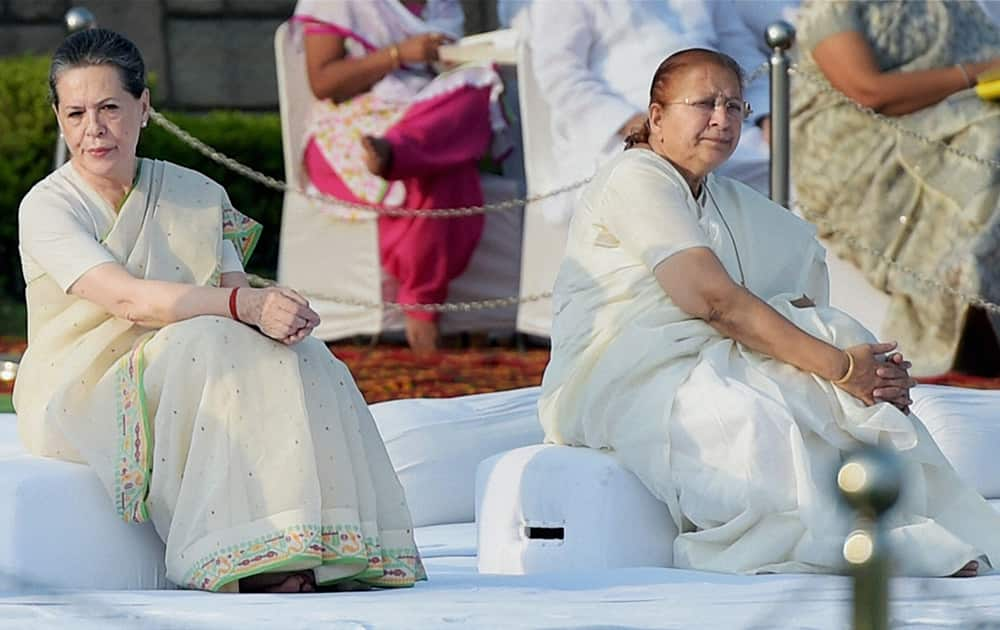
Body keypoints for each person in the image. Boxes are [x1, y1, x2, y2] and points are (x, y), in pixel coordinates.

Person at [539, 48, 1000, 577]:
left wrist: (868, 370)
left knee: (823, 360)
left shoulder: (722, 199)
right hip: (618, 375)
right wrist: (843, 369)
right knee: (749, 417)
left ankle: (921, 527)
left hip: (695, 357)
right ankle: (864, 544)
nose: (723, 119)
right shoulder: (634, 177)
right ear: (657, 116)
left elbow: (797, 287)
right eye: (705, 103)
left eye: (735, 106)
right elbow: (713, 303)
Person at [14, 28, 425, 593]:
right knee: (209, 342)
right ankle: (237, 559)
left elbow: (233, 292)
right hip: (83, 386)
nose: (94, 129)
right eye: (77, 112)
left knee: (303, 355)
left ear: (144, 107)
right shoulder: (47, 206)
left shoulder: (196, 194)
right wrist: (244, 304)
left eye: (110, 108)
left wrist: (276, 313)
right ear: (60, 118)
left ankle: (321, 545)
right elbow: (127, 298)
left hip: (187, 355)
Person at [791, 0, 1000, 376]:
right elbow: (869, 92)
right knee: (991, 139)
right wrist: (978, 74)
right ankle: (969, 307)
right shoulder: (832, 7)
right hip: (860, 146)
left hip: (957, 113)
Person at [293, 0, 509, 353]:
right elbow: (324, 82)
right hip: (354, 133)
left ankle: (400, 151)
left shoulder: (442, 5)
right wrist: (398, 54)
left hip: (420, 118)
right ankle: (423, 307)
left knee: (478, 86)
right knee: (445, 170)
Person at [525, 0, 792, 215]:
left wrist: (768, 117)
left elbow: (741, 53)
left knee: (797, 169)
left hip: (723, 127)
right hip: (627, 135)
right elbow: (561, 76)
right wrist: (643, 128)